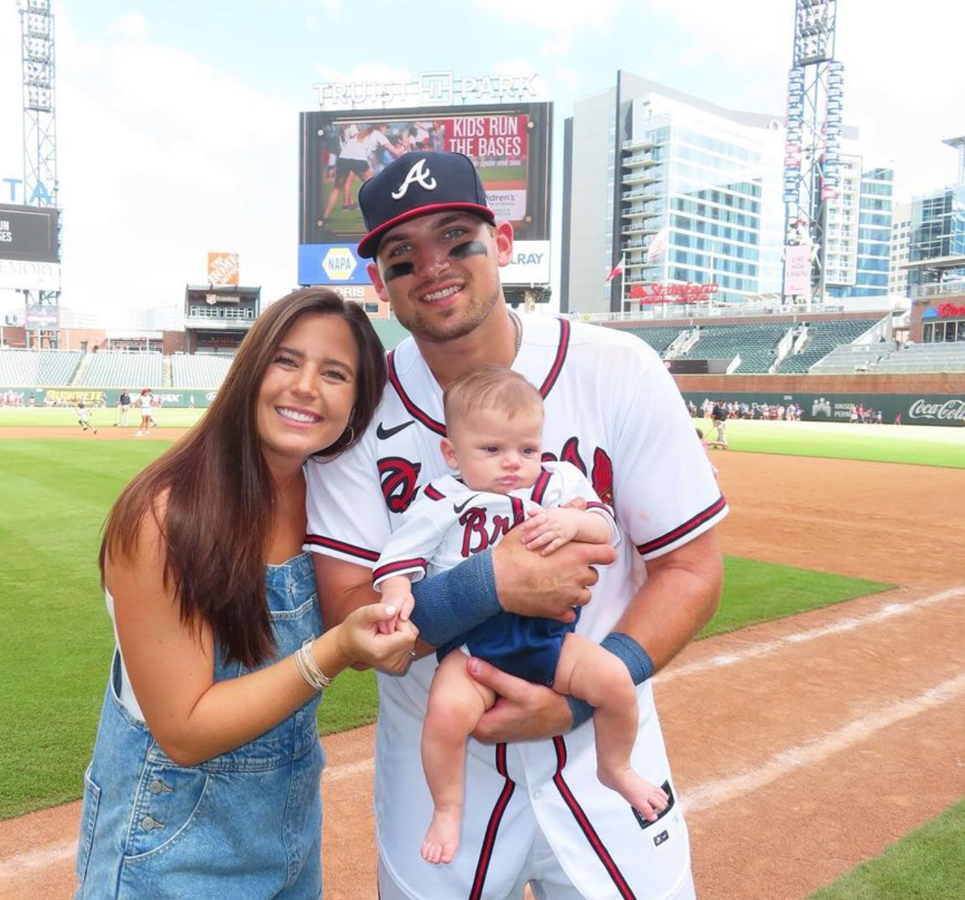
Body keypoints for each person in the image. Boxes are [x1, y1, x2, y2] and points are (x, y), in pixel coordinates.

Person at [304, 150, 726, 900]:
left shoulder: (617, 369)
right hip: (439, 769)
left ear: (500, 244)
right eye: (402, 257)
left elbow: (690, 568)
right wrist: (488, 582)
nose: (432, 267)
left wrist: (585, 697)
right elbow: (349, 611)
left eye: (457, 238)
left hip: (599, 751)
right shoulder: (359, 409)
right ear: (379, 282)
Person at [75, 288, 417, 899]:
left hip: (287, 825)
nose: (307, 386)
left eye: (334, 373)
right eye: (287, 360)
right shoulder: (165, 517)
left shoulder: (328, 499)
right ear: (250, 368)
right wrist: (333, 651)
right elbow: (184, 731)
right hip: (171, 841)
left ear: (357, 403)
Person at [374, 366, 668, 866]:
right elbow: (402, 555)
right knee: (444, 717)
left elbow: (605, 533)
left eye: (526, 450)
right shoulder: (445, 498)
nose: (513, 463)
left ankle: (614, 767)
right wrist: (398, 589)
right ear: (452, 453)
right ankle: (447, 809)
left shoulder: (556, 486)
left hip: (549, 640)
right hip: (474, 648)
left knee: (616, 681)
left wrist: (573, 519)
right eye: (492, 450)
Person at [321, 123, 404, 222]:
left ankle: (325, 217)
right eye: (386, 128)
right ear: (382, 127)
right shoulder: (379, 135)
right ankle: (378, 214)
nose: (386, 130)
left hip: (343, 158)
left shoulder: (363, 133)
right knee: (375, 187)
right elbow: (397, 153)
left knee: (336, 189)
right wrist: (404, 146)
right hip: (358, 159)